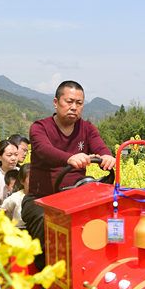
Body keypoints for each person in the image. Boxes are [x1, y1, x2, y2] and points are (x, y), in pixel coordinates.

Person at [21, 80, 115, 269]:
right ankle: (45, 276)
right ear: (56, 102)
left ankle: (107, 265)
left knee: (114, 218)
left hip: (77, 200)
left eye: (79, 103)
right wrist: (70, 158)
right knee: (44, 221)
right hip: (42, 200)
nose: (74, 107)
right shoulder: (40, 127)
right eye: (69, 101)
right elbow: (43, 149)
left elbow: (100, 147)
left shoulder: (87, 128)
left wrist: (107, 157)